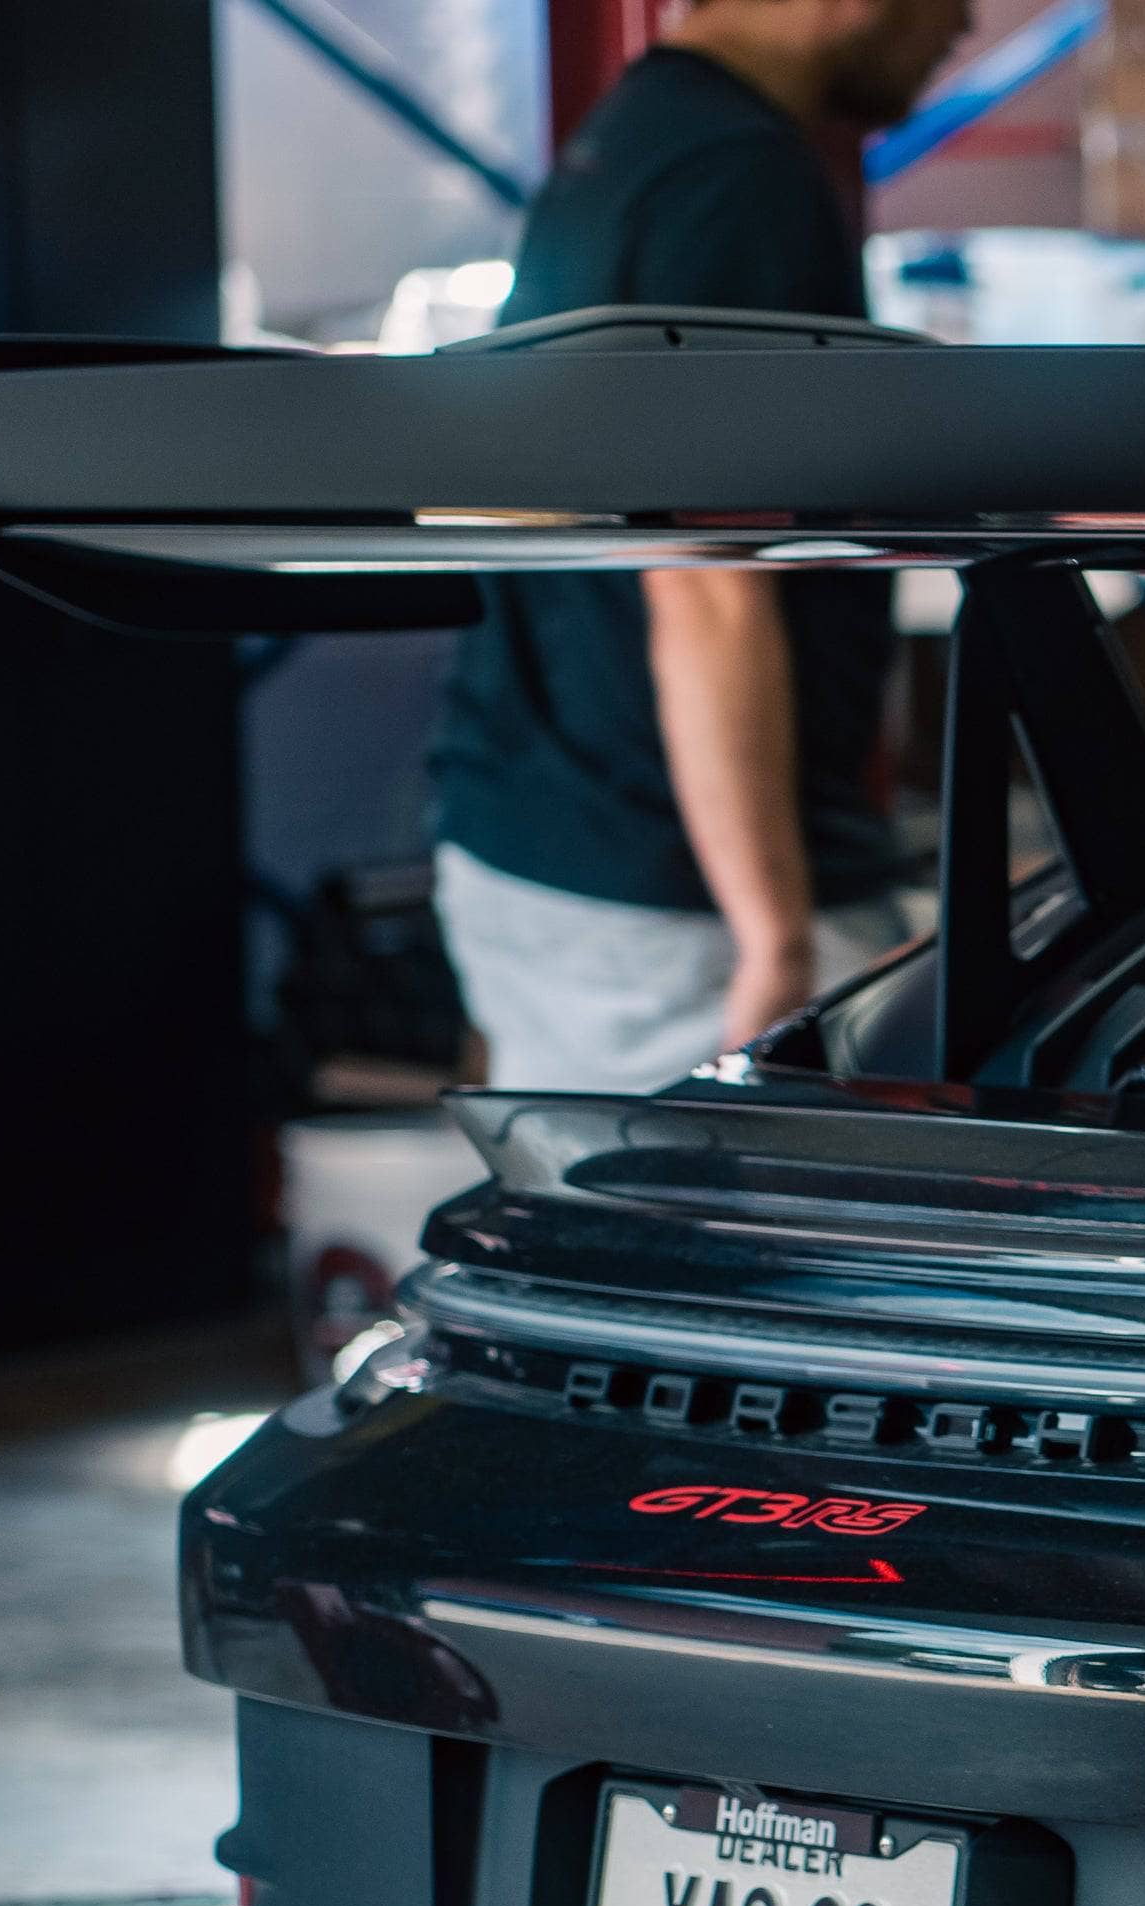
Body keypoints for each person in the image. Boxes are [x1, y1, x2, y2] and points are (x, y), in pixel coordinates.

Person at [427, 0, 972, 1094]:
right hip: (680, 903)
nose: (960, 24)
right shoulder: (736, 175)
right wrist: (773, 935)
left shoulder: (635, 135)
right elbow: (703, 580)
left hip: (548, 833)